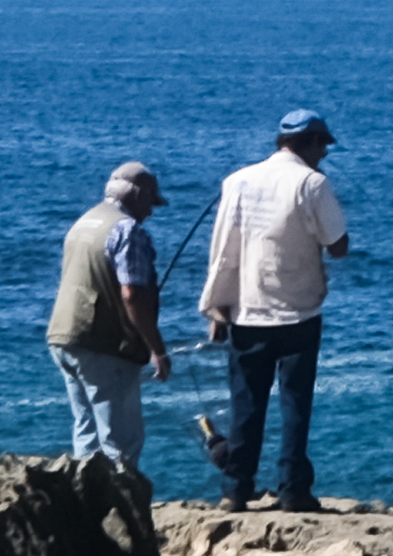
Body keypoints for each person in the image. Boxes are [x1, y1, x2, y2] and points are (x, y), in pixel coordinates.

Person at [194, 108, 353, 513]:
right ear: (312, 142)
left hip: (247, 311)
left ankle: (236, 489)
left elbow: (222, 251)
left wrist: (217, 308)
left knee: (246, 406)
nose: (325, 154)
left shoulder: (237, 182)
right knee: (295, 405)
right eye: (324, 146)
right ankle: (293, 490)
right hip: (299, 312)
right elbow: (339, 245)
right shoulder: (312, 183)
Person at [47, 160, 171, 479]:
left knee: (86, 434)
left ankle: (84, 511)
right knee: (121, 442)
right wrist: (156, 348)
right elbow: (132, 296)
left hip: (64, 337)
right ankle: (122, 513)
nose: (151, 212)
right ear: (139, 195)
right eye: (151, 202)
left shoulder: (84, 223)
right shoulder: (128, 230)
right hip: (104, 345)